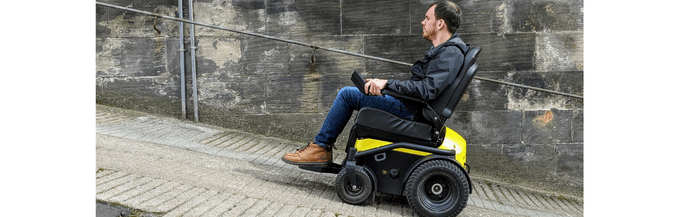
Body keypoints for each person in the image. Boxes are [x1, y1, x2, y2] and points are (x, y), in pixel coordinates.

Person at [282, 0, 466, 166]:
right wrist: (386, 88)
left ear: (440, 23)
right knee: (360, 91)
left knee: (347, 94)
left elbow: (427, 90)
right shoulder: (447, 51)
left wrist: (387, 85)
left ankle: (320, 148)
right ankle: (322, 148)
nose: (422, 22)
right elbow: (424, 88)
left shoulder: (450, 53)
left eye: (427, 18)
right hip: (413, 106)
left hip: (413, 112)